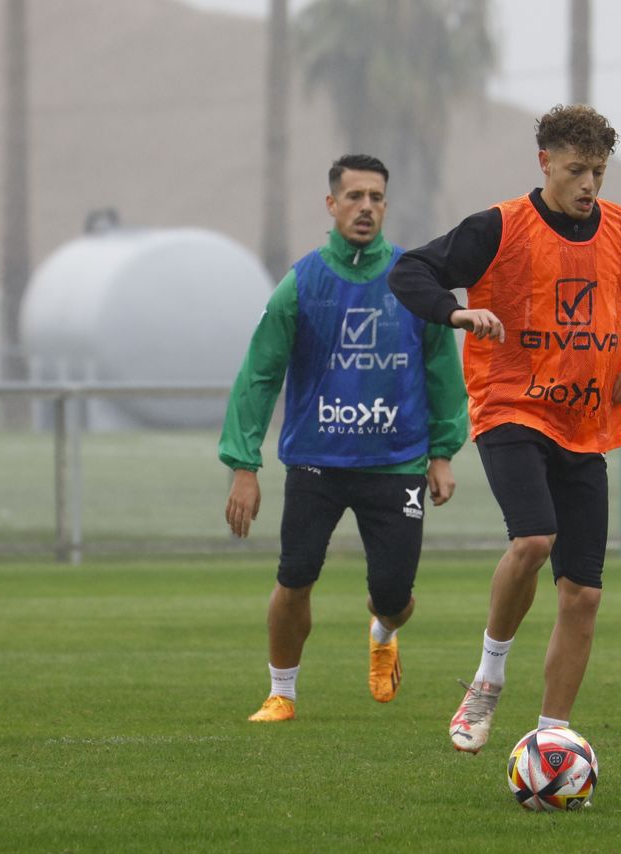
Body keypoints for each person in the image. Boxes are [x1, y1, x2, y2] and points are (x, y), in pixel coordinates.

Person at [389, 104, 621, 754]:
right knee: (533, 540)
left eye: (598, 171)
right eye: (576, 170)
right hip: (511, 409)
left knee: (583, 596)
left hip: (587, 424)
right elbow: (409, 271)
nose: (589, 185)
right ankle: (487, 681)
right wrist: (456, 314)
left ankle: (552, 740)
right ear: (545, 163)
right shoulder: (500, 227)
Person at [220, 154, 467, 723]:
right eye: (354, 196)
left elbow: (441, 369)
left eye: (375, 197)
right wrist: (243, 464)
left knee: (395, 596)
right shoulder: (303, 282)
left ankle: (383, 631)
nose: (365, 207)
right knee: (295, 577)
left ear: (386, 206)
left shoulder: (412, 281)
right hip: (317, 463)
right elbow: (259, 373)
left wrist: (442, 452)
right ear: (331, 204)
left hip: (396, 463)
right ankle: (282, 693)